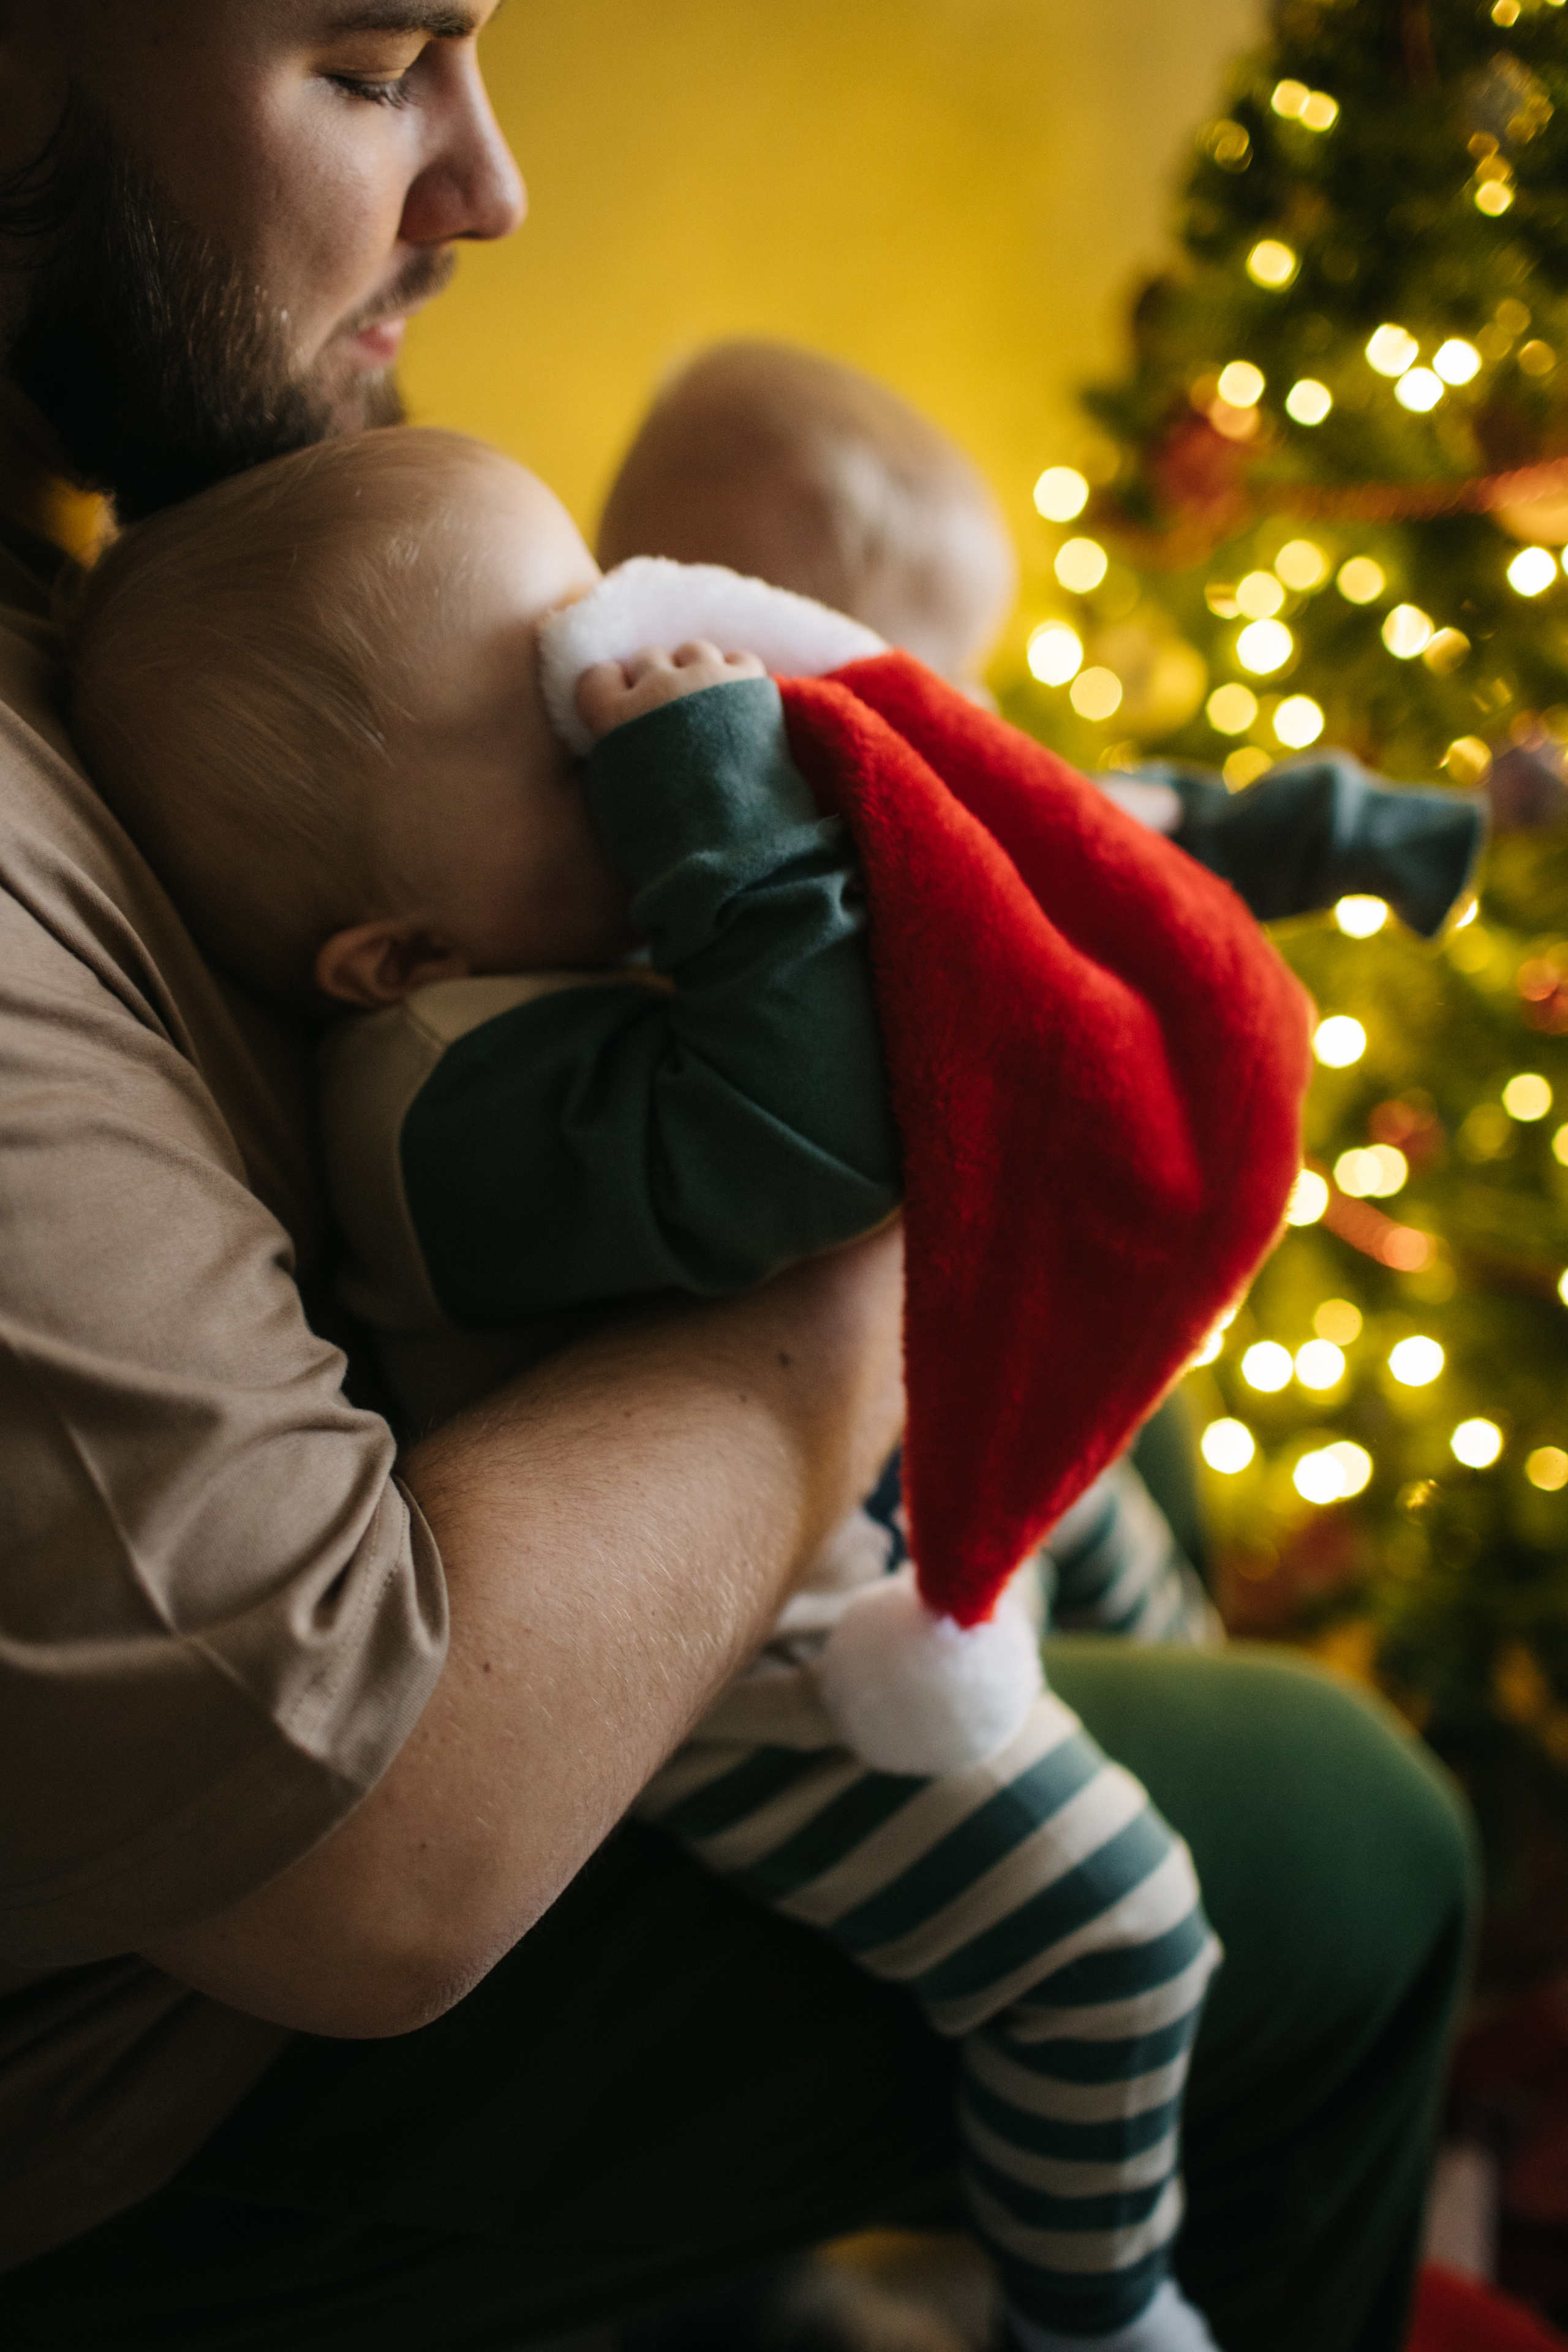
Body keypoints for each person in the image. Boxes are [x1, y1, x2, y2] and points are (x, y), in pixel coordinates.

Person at [0, 12, 1476, 2351]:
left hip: (600, 1608)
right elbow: (372, 1851)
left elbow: (1038, 821)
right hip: (192, 2081)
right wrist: (946, 1103)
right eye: (371, 60)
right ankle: (1093, 2291)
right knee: (1354, 1836)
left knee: (1139, 1478)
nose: (492, 185)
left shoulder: (121, 562)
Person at [73, 421, 1314, 2347]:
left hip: (851, 1499)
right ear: (397, 953)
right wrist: (714, 799)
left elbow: (1039, 820)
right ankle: (1091, 2301)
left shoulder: (564, 923)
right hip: (741, 1661)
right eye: (555, 722)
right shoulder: (451, 1096)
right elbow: (818, 1138)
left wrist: (1357, 842)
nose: (623, 698)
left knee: (1122, 1517)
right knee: (1121, 1943)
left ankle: (1179, 1709)